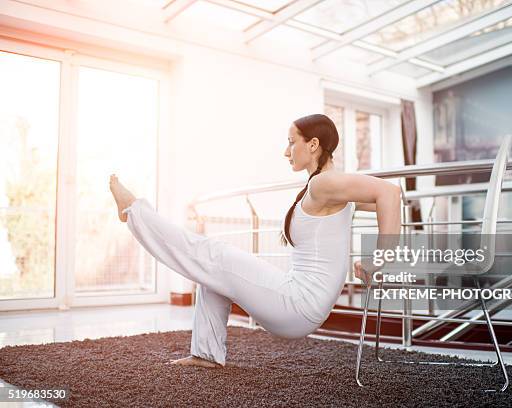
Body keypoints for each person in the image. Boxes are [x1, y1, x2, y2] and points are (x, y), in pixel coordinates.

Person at [109, 113, 401, 368]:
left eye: (291, 142)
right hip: (299, 300)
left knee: (214, 254)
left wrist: (380, 260)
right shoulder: (330, 189)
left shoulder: (325, 183)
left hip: (298, 304)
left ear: (312, 144)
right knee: (213, 270)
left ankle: (134, 212)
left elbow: (389, 194)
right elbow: (383, 201)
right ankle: (206, 354)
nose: (286, 152)